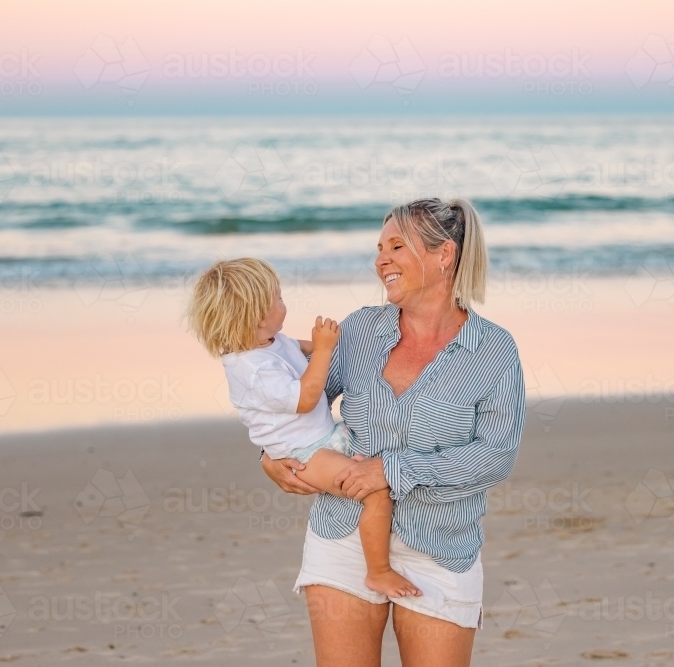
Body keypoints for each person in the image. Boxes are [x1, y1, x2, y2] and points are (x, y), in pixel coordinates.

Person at [261, 198, 526, 667]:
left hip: (441, 548)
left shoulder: (494, 351)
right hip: (342, 534)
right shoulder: (362, 329)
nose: (380, 259)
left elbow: (496, 456)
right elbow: (300, 400)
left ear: (444, 255)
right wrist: (270, 454)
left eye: (396, 246)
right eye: (379, 247)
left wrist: (394, 469)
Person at [186, 257, 422, 598]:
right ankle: (379, 571)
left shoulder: (269, 341)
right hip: (305, 455)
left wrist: (337, 344)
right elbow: (306, 399)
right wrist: (325, 350)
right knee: (376, 491)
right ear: (255, 316)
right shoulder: (251, 369)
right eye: (278, 298)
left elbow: (299, 348)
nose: (285, 303)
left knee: (384, 461)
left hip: (323, 438)